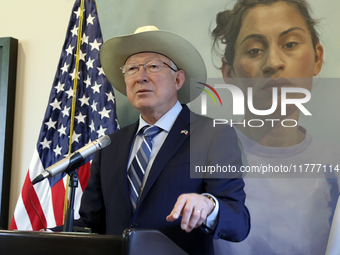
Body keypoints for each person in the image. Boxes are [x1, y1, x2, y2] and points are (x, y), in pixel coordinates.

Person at [65, 26, 250, 255]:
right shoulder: (109, 145)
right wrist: (46, 235)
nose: (141, 76)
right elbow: (92, 223)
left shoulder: (213, 134)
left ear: (178, 79)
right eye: (132, 68)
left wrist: (209, 206)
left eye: (153, 66)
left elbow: (238, 222)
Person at [211, 0, 340, 254]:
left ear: (317, 58)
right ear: (229, 73)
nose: (273, 62)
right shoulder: (196, 159)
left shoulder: (334, 163)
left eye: (290, 44)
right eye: (255, 50)